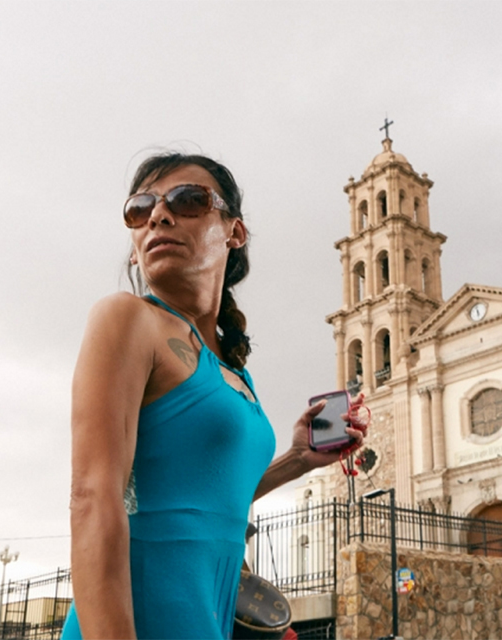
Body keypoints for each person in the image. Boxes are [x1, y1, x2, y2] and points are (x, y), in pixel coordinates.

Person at [61, 153, 364, 639]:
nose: (159, 215)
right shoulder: (127, 319)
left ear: (234, 231)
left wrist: (297, 460)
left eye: (187, 200)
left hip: (208, 620)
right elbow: (94, 496)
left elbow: (202, 498)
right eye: (140, 208)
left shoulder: (233, 369)